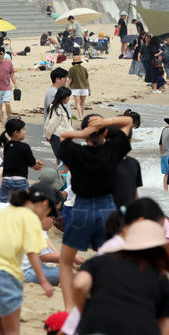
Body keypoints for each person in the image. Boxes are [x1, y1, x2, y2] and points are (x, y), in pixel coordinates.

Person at [57, 114, 134, 309]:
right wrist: (105, 122)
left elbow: (63, 137)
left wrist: (82, 134)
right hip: (107, 209)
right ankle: (106, 304)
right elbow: (128, 122)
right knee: (111, 261)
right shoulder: (113, 150)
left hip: (80, 208)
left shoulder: (74, 152)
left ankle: (69, 309)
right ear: (105, 133)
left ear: (85, 134)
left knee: (66, 262)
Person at [0, 183, 57, 334]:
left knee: (0, 327)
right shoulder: (31, 219)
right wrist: (43, 281)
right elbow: (33, 253)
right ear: (45, 203)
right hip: (5, 277)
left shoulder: (1, 213)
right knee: (12, 331)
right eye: (49, 213)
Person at [72, 220, 169, 334]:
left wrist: (84, 311)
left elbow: (80, 285)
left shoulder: (99, 262)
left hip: (96, 327)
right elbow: (166, 325)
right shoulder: (161, 279)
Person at [0, 118, 44, 202]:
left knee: (3, 205)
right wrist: (38, 166)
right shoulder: (25, 147)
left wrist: (31, 163)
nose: (25, 132)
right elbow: (33, 165)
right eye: (23, 130)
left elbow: (16, 160)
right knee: (23, 204)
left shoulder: (7, 146)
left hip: (6, 180)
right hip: (20, 182)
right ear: (16, 133)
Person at [44, 86, 73, 161]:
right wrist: (48, 135)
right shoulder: (57, 108)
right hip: (58, 137)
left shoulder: (60, 107)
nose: (69, 98)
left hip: (62, 137)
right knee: (62, 160)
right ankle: (61, 173)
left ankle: (60, 173)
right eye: (68, 97)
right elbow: (52, 124)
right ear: (63, 97)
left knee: (62, 160)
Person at [67, 55, 90, 119]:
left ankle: (80, 117)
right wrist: (89, 88)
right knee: (82, 103)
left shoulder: (72, 69)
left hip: (75, 88)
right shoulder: (84, 69)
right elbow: (87, 79)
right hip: (84, 87)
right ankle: (81, 116)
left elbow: (70, 80)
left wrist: (67, 87)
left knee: (77, 103)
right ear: (80, 62)